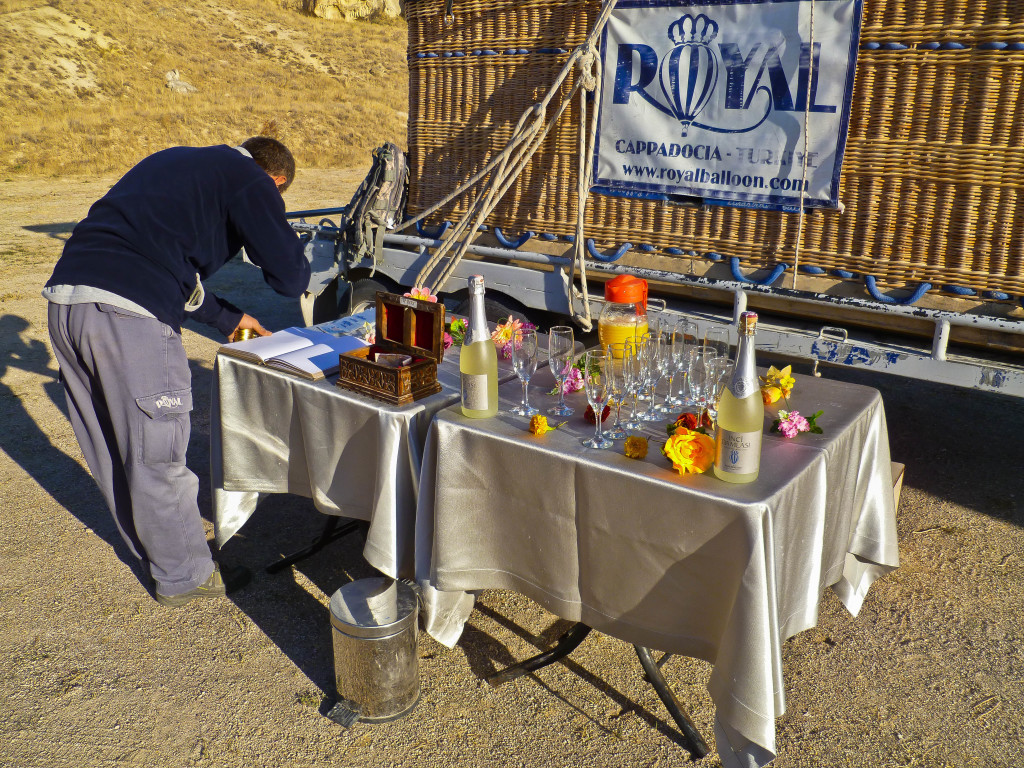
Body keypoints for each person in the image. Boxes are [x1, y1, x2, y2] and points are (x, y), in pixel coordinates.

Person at [43, 137, 311, 607]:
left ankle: (163, 557)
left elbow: (165, 264)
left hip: (69, 302)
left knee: (112, 448)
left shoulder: (174, 161)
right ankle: (184, 574)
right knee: (156, 453)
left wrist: (231, 319)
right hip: (128, 316)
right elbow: (290, 277)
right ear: (277, 181)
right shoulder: (250, 178)